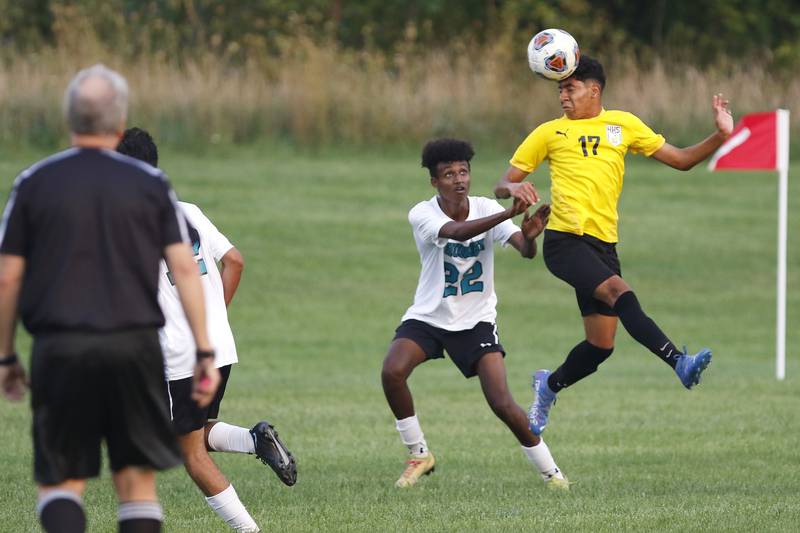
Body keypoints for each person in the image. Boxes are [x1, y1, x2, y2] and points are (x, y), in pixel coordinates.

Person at [0, 64, 220, 533]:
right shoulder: (152, 185)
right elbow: (185, 268)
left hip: (60, 347)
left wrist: (6, 355)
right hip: (134, 347)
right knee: (137, 483)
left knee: (62, 483)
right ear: (119, 123)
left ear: (69, 121)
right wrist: (204, 349)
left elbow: (7, 278)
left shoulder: (33, 183)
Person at [493, 56, 733, 436]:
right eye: (559, 90)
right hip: (564, 241)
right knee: (620, 291)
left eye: (569, 89)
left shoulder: (624, 124)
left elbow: (683, 160)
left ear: (594, 90)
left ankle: (548, 386)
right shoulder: (548, 133)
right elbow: (503, 182)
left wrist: (721, 136)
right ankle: (679, 363)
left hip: (603, 245)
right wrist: (514, 188)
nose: (563, 97)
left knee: (601, 345)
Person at [116, 127, 297, 533]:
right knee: (190, 430)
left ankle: (250, 530)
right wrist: (215, 315)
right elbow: (235, 261)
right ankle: (256, 440)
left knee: (191, 455)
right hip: (219, 346)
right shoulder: (188, 210)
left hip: (180, 356)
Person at [381, 138, 569, 490]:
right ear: (434, 182)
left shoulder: (484, 207)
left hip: (476, 321)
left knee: (501, 402)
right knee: (393, 371)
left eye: (463, 171)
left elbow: (526, 251)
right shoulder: (422, 213)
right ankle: (419, 454)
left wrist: (528, 238)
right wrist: (508, 213)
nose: (459, 179)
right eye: (449, 174)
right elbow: (456, 232)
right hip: (429, 317)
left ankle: (552, 473)